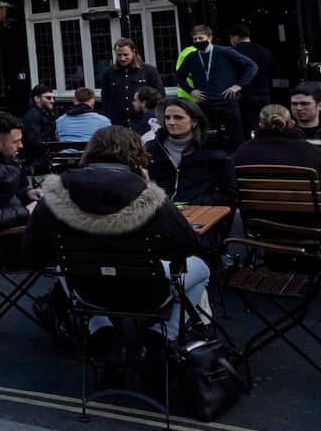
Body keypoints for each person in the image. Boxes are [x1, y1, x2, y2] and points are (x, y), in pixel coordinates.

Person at [23, 126, 209, 352]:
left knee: (65, 264)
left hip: (86, 290)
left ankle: (101, 329)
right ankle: (161, 336)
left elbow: (32, 247)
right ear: (135, 155)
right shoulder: (147, 194)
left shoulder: (56, 190)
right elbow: (187, 245)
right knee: (202, 269)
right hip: (146, 292)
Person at [145, 98, 236, 207]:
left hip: (201, 213)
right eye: (167, 117)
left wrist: (199, 202)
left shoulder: (214, 148)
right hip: (161, 211)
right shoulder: (151, 148)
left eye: (178, 118)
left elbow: (228, 193)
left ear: (194, 121)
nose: (171, 122)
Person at [175, 24, 258, 144]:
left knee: (236, 140)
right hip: (206, 105)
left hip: (228, 102)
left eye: (200, 38)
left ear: (209, 38)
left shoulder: (225, 52)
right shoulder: (191, 57)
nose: (198, 41)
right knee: (207, 141)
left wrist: (238, 86)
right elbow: (179, 76)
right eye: (195, 39)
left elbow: (252, 66)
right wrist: (191, 90)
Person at [231, 104, 321, 173]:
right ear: (292, 124)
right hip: (300, 197)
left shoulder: (242, 151)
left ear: (260, 125)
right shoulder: (312, 152)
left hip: (253, 197)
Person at [97, 38, 165, 127]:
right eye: (119, 55)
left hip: (143, 122)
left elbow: (160, 97)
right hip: (118, 123)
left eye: (126, 55)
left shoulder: (149, 71)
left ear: (134, 52)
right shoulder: (108, 73)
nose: (122, 58)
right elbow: (105, 100)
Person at [228, 24, 276, 134]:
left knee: (247, 129)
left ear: (236, 37)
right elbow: (273, 71)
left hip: (244, 96)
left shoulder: (233, 53)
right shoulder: (265, 51)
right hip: (264, 94)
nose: (231, 40)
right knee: (266, 126)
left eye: (231, 38)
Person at [21, 85, 58, 166]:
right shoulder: (33, 115)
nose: (52, 101)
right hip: (40, 161)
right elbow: (34, 141)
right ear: (37, 99)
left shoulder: (47, 113)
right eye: (48, 98)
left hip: (46, 158)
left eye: (53, 98)